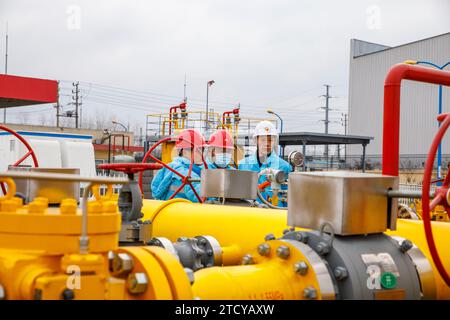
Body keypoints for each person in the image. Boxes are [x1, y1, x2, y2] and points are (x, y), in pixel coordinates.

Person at [238, 120, 292, 206]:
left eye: (270, 140)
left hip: (273, 214)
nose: (267, 143)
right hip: (248, 213)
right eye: (263, 140)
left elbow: (288, 198)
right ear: (256, 141)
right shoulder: (243, 165)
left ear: (274, 142)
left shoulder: (284, 167)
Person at [151, 129, 206, 202]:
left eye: (203, 150)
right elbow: (202, 197)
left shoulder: (170, 167)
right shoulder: (185, 173)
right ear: (185, 152)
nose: (201, 154)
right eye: (199, 150)